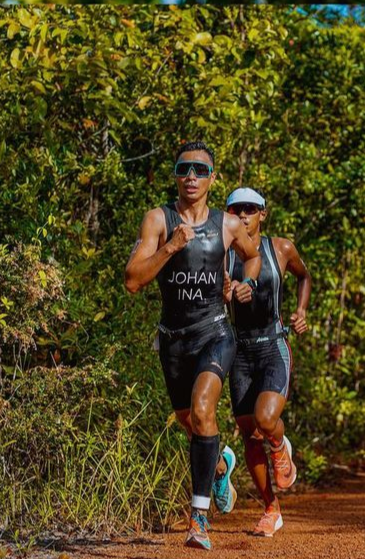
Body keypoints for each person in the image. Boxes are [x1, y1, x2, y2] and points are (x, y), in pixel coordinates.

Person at [124, 142, 261, 550]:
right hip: (174, 340)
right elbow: (133, 280)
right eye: (184, 169)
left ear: (212, 179)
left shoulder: (228, 224)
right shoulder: (159, 220)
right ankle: (219, 465)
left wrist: (245, 283)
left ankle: (198, 520)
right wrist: (170, 247)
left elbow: (252, 256)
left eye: (200, 171)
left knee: (203, 411)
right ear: (175, 175)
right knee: (191, 421)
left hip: (215, 333)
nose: (191, 176)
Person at [224, 187, 312, 538]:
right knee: (249, 434)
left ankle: (278, 443)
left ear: (263, 213)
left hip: (273, 345)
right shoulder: (223, 254)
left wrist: (301, 311)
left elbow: (304, 276)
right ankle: (271, 509)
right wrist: (226, 292)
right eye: (236, 210)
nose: (243, 215)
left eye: (250, 209)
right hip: (240, 351)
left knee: (265, 419)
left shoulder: (281, 249)